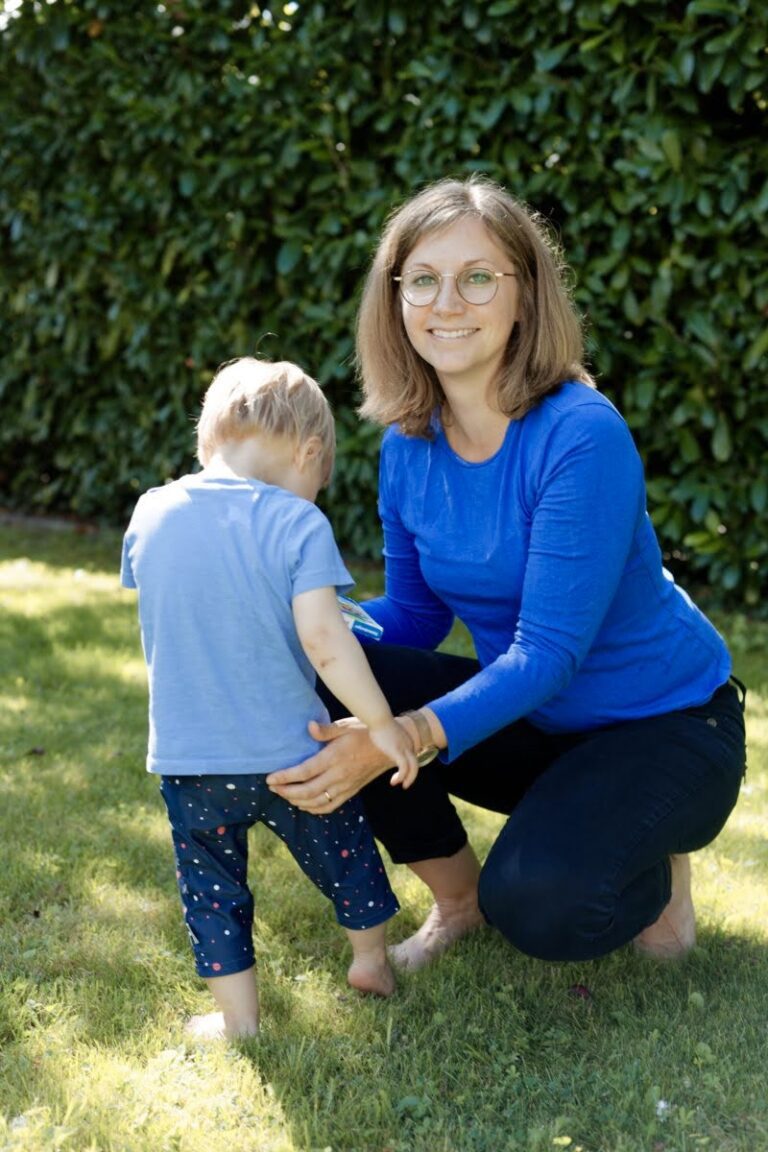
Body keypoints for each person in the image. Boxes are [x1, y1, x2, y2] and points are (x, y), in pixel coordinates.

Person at [266, 175, 747, 971]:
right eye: (423, 280)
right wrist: (307, 622)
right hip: (539, 725)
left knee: (541, 905)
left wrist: (397, 738)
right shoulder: (407, 445)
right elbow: (415, 616)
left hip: (667, 728)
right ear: (396, 302)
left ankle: (650, 853)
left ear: (524, 296)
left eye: (477, 277)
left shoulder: (581, 434)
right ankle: (458, 903)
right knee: (315, 669)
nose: (446, 302)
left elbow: (548, 653)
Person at [121, 357, 418, 1040]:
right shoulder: (296, 524)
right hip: (295, 755)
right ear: (310, 452)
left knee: (212, 889)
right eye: (322, 479)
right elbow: (324, 642)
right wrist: (381, 725)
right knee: (346, 855)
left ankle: (239, 1021)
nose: (316, 492)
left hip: (191, 761)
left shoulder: (151, 512)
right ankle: (371, 960)